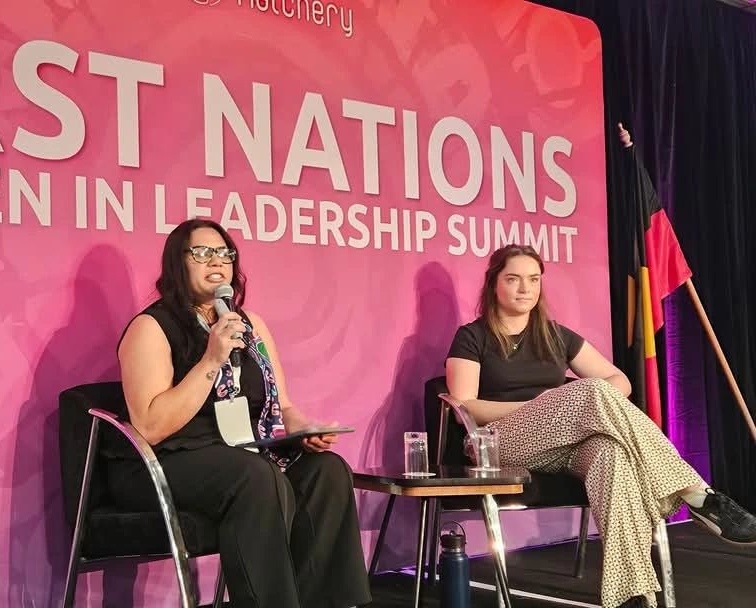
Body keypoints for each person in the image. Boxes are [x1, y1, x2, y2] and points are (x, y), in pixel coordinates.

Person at [445, 244, 756, 608]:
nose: (524, 288)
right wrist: (541, 405)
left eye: (533, 279)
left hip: (563, 443)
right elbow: (464, 407)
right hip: (501, 443)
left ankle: (632, 594)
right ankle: (697, 494)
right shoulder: (472, 337)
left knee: (613, 457)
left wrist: (567, 405)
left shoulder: (555, 334)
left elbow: (619, 380)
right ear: (494, 283)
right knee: (590, 389)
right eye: (513, 279)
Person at [107, 218, 372, 608]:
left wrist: (305, 430)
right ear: (177, 264)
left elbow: (281, 406)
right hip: (164, 461)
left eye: (224, 253)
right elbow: (150, 426)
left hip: (241, 453)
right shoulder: (151, 327)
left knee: (326, 471)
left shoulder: (250, 326)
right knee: (254, 476)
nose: (216, 260)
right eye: (201, 252)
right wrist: (210, 359)